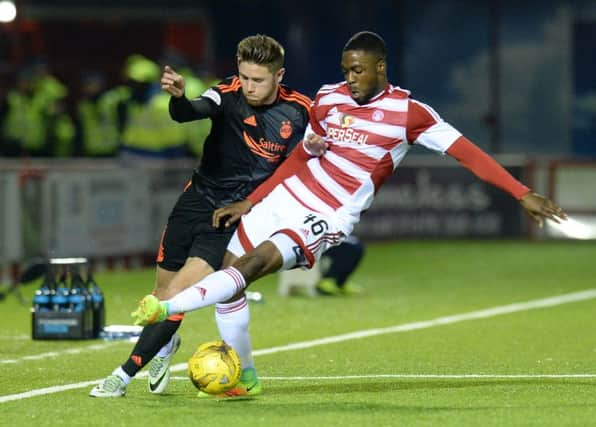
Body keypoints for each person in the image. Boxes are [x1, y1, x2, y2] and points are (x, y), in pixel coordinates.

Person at [130, 31, 568, 348]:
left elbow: (466, 152)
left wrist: (519, 191)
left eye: (358, 70)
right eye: (345, 70)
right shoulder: (328, 98)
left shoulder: (409, 112)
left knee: (248, 266)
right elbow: (301, 156)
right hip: (280, 197)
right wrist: (255, 197)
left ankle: (167, 313)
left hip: (329, 213)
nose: (350, 78)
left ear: (381, 68)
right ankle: (233, 369)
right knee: (226, 274)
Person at [90, 35, 312, 398]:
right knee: (162, 291)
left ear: (279, 75)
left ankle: (122, 375)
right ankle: (165, 347)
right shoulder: (226, 93)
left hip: (230, 217)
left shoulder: (301, 110)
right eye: (244, 77)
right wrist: (178, 97)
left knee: (176, 294)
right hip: (194, 201)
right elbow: (190, 111)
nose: (249, 87)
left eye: (258, 80)